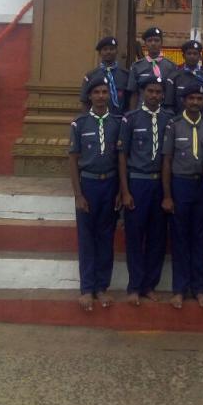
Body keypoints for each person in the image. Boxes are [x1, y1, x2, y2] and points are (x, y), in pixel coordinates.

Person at [117, 76, 173, 305]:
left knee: (157, 237)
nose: (154, 95)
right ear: (142, 93)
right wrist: (125, 190)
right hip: (137, 183)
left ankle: (150, 284)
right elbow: (122, 156)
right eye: (150, 91)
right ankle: (134, 286)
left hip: (160, 183)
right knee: (135, 236)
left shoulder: (169, 120)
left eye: (159, 92)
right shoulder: (130, 119)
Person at [69, 74, 121, 312]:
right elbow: (73, 161)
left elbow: (121, 160)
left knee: (105, 237)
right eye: (96, 92)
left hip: (110, 184)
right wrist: (78, 195)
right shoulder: (79, 124)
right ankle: (87, 288)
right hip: (88, 185)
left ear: (110, 95)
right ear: (89, 96)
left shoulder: (118, 123)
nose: (101, 96)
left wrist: (121, 190)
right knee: (87, 238)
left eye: (104, 92)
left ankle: (102, 286)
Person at [162, 83, 203, 309]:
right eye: (191, 98)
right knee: (180, 238)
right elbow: (167, 161)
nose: (194, 102)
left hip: (201, 186)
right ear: (184, 100)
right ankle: (180, 289)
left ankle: (200, 288)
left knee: (200, 238)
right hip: (180, 185)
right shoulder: (174, 125)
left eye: (199, 98)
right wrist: (167, 195)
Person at [127, 27, 177, 110]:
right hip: (141, 112)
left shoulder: (170, 67)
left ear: (161, 43)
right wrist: (132, 115)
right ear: (145, 44)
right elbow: (134, 94)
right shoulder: (137, 66)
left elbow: (173, 94)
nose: (153, 43)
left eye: (156, 40)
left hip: (163, 113)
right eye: (149, 41)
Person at [80, 36, 129, 117]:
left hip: (120, 120)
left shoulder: (125, 75)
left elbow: (130, 100)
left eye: (111, 49)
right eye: (105, 49)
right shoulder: (91, 75)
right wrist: (86, 120)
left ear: (117, 51)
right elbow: (85, 102)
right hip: (97, 119)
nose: (108, 52)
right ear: (100, 53)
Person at [164, 40, 203, 115]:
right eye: (189, 53)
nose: (192, 56)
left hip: (201, 121)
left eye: (195, 54)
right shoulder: (174, 76)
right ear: (183, 56)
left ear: (199, 56)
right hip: (179, 120)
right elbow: (169, 104)